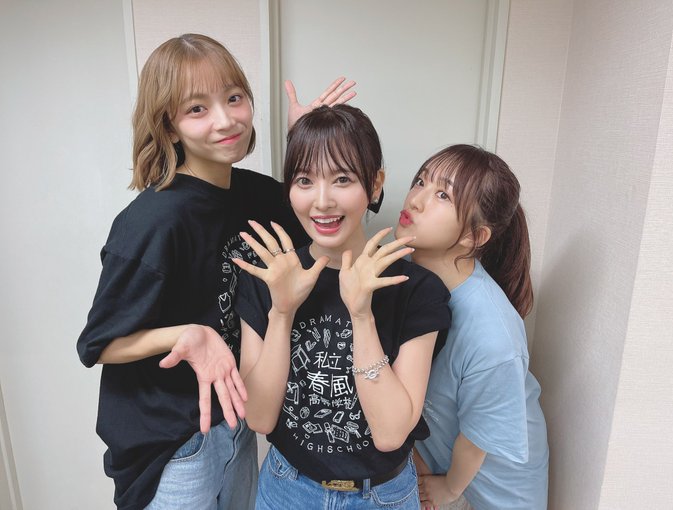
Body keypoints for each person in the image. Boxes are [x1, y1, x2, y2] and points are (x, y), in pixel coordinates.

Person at [76, 33, 355, 510]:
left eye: (234, 98)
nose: (226, 120)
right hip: (172, 445)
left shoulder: (254, 194)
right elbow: (97, 345)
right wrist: (188, 335)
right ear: (168, 125)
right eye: (197, 109)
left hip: (236, 424)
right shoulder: (153, 223)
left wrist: (306, 143)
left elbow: (321, 212)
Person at [232, 104, 451, 510]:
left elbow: (390, 434)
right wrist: (282, 313)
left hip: (381, 497)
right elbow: (259, 418)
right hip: (286, 489)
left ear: (375, 184)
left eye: (343, 179)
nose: (322, 201)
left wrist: (361, 314)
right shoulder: (266, 279)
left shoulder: (416, 290)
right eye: (304, 180)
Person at [395, 145, 549, 510]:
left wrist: (449, 489)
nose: (416, 199)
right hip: (438, 461)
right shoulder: (405, 271)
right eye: (421, 181)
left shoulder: (493, 334)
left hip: (492, 492)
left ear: (474, 237)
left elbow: (478, 439)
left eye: (443, 195)